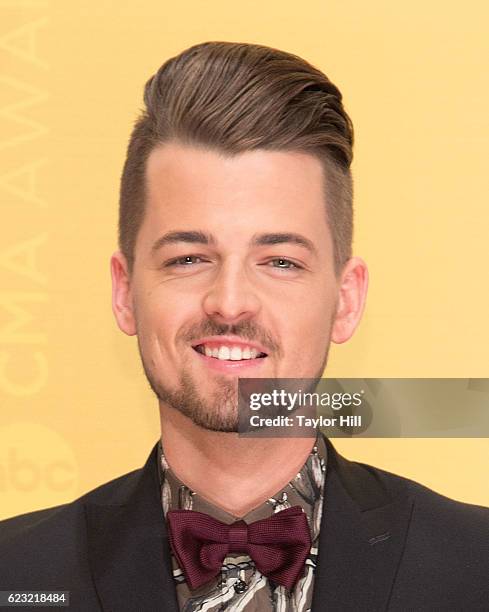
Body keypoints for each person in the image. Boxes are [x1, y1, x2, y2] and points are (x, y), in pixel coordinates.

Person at [0, 41, 488, 612]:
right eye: (188, 258)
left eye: (280, 261)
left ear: (346, 301)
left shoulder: (476, 567)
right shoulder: (16, 573)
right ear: (124, 290)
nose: (230, 304)